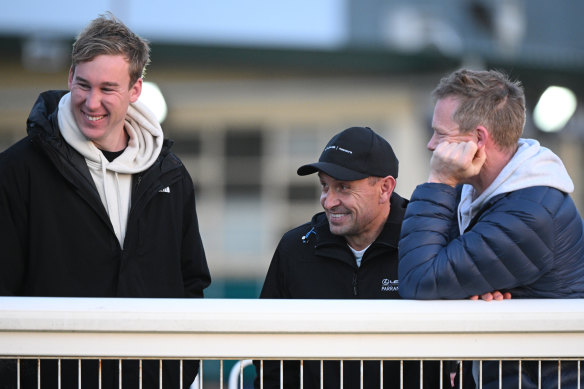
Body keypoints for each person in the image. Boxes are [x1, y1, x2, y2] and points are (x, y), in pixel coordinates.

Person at [0, 13, 211, 389]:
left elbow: (190, 281)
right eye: (83, 85)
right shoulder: (18, 169)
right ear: (69, 78)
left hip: (150, 378)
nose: (91, 102)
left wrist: (179, 370)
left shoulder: (172, 176)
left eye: (108, 88)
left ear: (135, 90)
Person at [398, 68, 584, 388]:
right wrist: (462, 292)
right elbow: (430, 273)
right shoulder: (477, 192)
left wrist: (439, 181)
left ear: (479, 139)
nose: (431, 145)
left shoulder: (531, 214)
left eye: (441, 134)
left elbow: (418, 280)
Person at [254, 126, 444, 389]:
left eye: (343, 187)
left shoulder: (427, 242)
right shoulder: (296, 248)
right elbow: (269, 351)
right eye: (324, 186)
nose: (329, 201)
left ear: (385, 188)